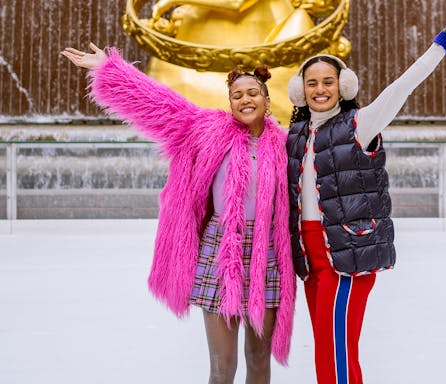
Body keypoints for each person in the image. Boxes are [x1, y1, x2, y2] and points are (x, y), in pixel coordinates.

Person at [61, 42, 295, 384]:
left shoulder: (286, 144)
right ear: (230, 103)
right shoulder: (208, 132)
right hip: (220, 251)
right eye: (237, 95)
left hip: (268, 255)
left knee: (259, 361)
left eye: (253, 93)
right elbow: (159, 105)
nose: (246, 100)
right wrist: (110, 69)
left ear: (266, 99)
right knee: (223, 366)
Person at [285, 6, 446, 384]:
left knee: (339, 347)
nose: (320, 89)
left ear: (343, 86)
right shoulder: (294, 136)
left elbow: (403, 85)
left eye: (328, 81)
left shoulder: (360, 124)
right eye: (312, 83)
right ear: (300, 90)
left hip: (348, 253)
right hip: (310, 258)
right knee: (326, 345)